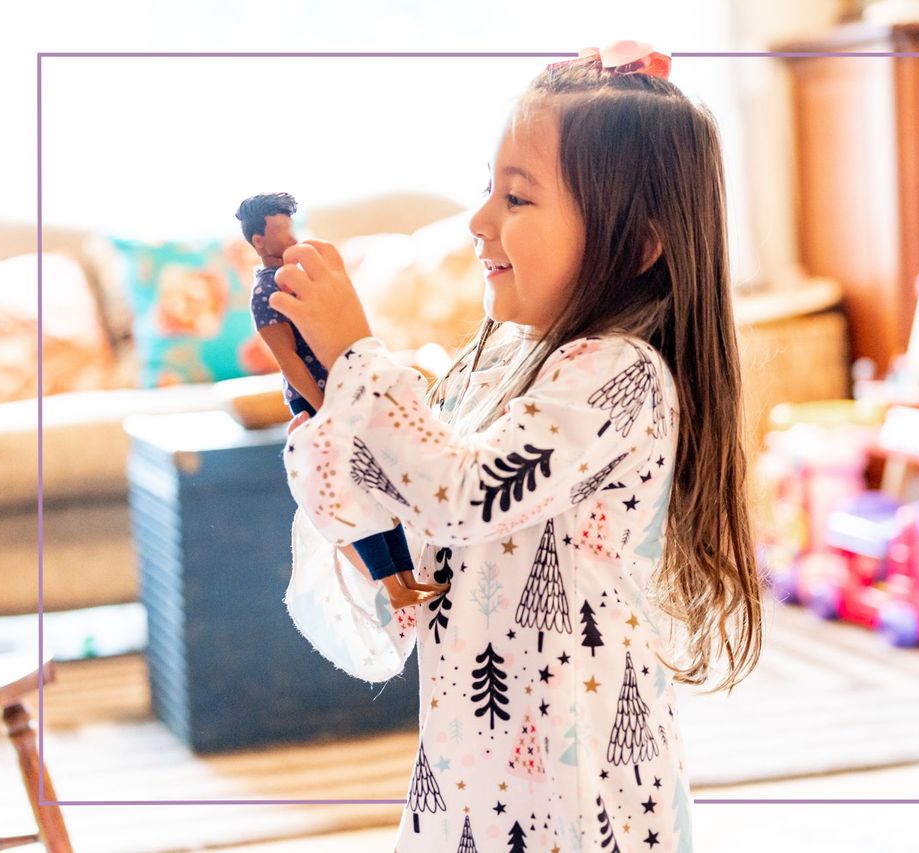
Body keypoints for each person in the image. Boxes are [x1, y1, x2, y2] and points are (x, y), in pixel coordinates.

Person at [273, 40, 764, 853]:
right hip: (471, 770)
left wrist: (359, 356)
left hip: (582, 788)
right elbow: (426, 530)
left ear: (636, 245)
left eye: (518, 199)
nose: (479, 222)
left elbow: (465, 490)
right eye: (486, 190)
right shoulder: (503, 362)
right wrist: (335, 435)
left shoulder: (620, 375)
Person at [236, 192, 444, 608]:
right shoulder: (265, 295)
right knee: (354, 494)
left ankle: (406, 576)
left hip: (347, 390)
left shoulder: (298, 277)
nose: (291, 237)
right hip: (322, 401)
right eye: (280, 230)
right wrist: (323, 410)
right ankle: (390, 586)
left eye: (292, 227)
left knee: (378, 484)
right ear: (259, 240)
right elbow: (289, 360)